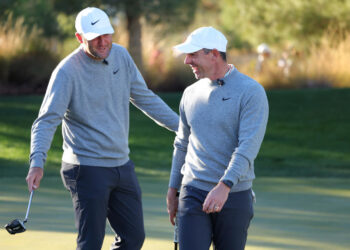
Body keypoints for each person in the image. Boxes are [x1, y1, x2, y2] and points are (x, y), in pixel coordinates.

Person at [26, 7, 179, 250]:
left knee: (133, 238)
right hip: (85, 168)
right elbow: (46, 120)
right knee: (90, 243)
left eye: (106, 34)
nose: (103, 41)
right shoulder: (66, 72)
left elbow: (144, 98)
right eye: (95, 36)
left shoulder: (121, 55)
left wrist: (182, 128)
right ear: (80, 38)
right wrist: (37, 161)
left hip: (121, 164)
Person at [167, 27, 269, 250]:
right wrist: (173, 188)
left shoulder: (251, 92)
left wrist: (225, 186)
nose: (186, 61)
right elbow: (182, 143)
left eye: (192, 54)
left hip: (234, 195)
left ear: (213, 53)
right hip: (192, 192)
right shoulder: (190, 93)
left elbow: (248, 146)